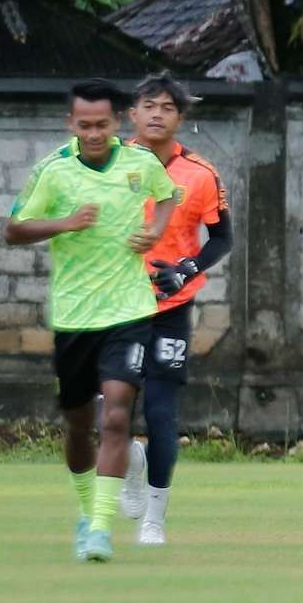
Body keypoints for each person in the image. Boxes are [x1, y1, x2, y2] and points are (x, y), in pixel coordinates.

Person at [0, 79, 176, 561]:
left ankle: (101, 528)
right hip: (76, 317)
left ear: (116, 122)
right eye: (84, 125)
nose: (94, 133)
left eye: (102, 124)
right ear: (70, 124)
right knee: (78, 426)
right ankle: (85, 511)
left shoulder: (141, 162)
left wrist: (155, 230)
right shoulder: (52, 172)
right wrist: (64, 223)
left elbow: (167, 196)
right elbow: (12, 230)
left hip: (130, 311)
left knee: (117, 415)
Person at [117, 75, 228, 546]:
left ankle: (154, 520)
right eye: (149, 105)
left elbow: (223, 238)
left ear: (181, 118)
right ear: (132, 114)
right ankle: (130, 463)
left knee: (162, 413)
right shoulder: (109, 164)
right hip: (114, 306)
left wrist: (186, 269)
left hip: (170, 309)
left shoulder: (200, 174)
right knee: (110, 410)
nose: (158, 113)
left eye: (168, 107)